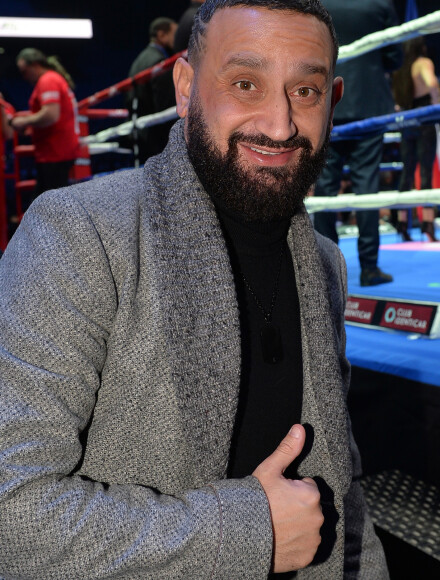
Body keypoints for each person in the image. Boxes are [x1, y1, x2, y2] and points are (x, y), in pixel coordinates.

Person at [0, 1, 388, 578]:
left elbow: (341, 488)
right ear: (185, 87)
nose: (280, 126)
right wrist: (250, 531)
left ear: (331, 100)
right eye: (245, 83)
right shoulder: (81, 233)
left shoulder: (324, 263)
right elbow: (13, 516)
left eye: (303, 92)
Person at [314, 0, 402, 286]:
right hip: (368, 101)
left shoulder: (319, 3)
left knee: (325, 187)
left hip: (328, 102)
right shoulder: (378, 4)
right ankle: (369, 268)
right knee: (366, 186)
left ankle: (327, 269)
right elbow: (394, 55)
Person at [11, 49, 79, 203]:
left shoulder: (48, 80)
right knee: (45, 205)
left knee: (48, 207)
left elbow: (50, 114)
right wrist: (32, 126)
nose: (24, 77)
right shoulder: (52, 79)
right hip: (56, 151)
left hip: (55, 152)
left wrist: (24, 121)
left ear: (34, 65)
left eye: (25, 71)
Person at [392, 36, 440, 242]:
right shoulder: (423, 63)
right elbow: (431, 83)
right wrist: (439, 102)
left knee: (407, 172)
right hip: (424, 118)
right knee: (426, 172)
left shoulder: (401, 69)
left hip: (406, 121)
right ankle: (428, 225)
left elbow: (396, 101)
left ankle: (403, 224)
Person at [127, 17, 178, 162]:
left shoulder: (140, 59)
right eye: (174, 34)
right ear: (162, 35)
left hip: (141, 133)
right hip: (155, 138)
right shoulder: (159, 62)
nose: (177, 39)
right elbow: (165, 106)